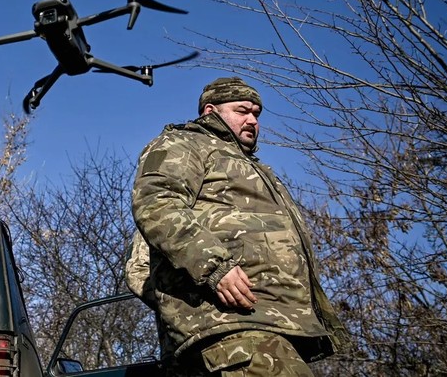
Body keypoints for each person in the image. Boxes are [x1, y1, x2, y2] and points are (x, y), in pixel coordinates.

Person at [129, 76, 348, 376]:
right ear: (210, 111)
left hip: (274, 324)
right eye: (242, 110)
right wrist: (214, 271)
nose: (252, 120)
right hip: (233, 328)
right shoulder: (185, 143)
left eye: (256, 114)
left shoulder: (256, 169)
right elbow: (157, 204)